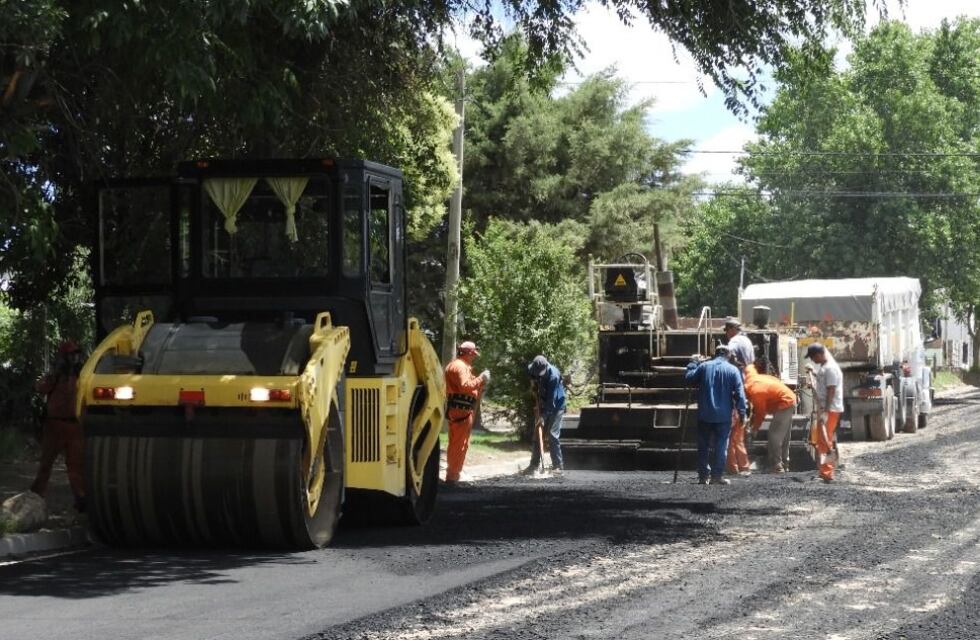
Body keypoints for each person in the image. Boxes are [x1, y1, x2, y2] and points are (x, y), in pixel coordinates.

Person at [31, 340, 86, 512]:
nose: (74, 357)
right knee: (46, 464)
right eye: (70, 354)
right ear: (64, 356)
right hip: (54, 425)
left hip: (74, 427)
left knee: (75, 466)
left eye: (75, 354)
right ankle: (35, 498)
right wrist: (53, 375)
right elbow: (40, 388)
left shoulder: (82, 375)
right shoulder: (56, 375)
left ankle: (81, 500)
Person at [685, 345, 747, 485]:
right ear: (728, 355)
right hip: (723, 416)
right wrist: (742, 413)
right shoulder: (733, 370)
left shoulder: (703, 367)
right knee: (721, 445)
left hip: (704, 414)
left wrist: (692, 363)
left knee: (703, 445)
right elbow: (740, 394)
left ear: (715, 353)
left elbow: (689, 378)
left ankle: (703, 476)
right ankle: (716, 476)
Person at [443, 341, 490, 484]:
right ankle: (453, 476)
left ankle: (455, 472)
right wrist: (481, 378)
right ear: (468, 354)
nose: (474, 357)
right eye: (473, 355)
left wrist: (480, 385)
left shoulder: (455, 365)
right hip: (461, 410)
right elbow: (465, 387)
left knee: (456, 443)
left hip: (458, 408)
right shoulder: (460, 367)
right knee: (459, 444)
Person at [744, 363, 797, 473]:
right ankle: (784, 464)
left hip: (784, 403)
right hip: (789, 398)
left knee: (774, 435)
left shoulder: (755, 390)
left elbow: (760, 412)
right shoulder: (756, 379)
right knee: (784, 436)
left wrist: (754, 429)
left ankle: (777, 465)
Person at [806, 343, 844, 483]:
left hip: (830, 409)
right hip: (827, 408)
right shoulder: (825, 368)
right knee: (823, 440)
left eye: (813, 357)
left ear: (819, 355)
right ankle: (824, 471)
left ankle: (827, 473)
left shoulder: (830, 369)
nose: (813, 360)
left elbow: (831, 390)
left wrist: (826, 412)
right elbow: (825, 383)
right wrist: (813, 373)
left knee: (825, 440)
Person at [523, 355, 566, 474]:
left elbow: (551, 402)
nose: (537, 374)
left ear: (545, 368)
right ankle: (533, 465)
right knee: (537, 432)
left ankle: (558, 466)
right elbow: (530, 374)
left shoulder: (553, 376)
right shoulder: (534, 368)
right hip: (543, 403)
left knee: (552, 435)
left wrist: (543, 417)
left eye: (538, 373)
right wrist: (533, 384)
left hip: (556, 406)